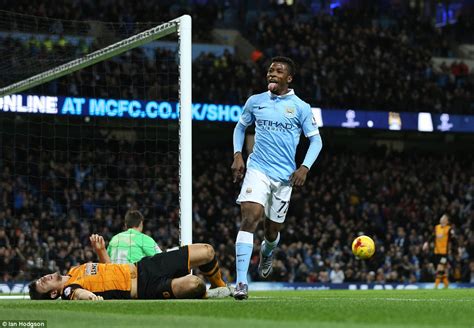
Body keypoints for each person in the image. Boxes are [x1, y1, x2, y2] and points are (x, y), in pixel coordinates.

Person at [231, 56, 323, 300]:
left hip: (284, 178)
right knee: (250, 218)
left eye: (278, 71)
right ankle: (241, 282)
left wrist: (304, 167)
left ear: (289, 78)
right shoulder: (255, 101)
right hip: (257, 169)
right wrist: (238, 154)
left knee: (271, 231)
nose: (272, 74)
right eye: (270, 70)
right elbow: (240, 127)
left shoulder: (301, 107)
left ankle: (268, 251)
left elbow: (316, 140)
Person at [28, 235, 230, 300]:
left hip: (144, 266)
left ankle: (220, 286)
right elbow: (79, 294)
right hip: (145, 287)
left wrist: (100, 251)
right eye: (42, 284)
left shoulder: (75, 269)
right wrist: (90, 297)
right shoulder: (69, 290)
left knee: (207, 251)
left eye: (40, 278)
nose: (43, 278)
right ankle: (207, 294)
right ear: (54, 293)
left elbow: (110, 270)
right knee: (195, 283)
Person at [423, 214, 457, 289]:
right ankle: (446, 284)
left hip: (444, 253)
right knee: (441, 270)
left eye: (444, 218)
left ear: (447, 221)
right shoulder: (437, 227)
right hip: (436, 252)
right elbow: (432, 236)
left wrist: (455, 248)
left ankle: (436, 285)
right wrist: (427, 243)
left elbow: (454, 240)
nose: (442, 219)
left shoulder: (449, 229)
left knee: (440, 268)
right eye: (441, 217)